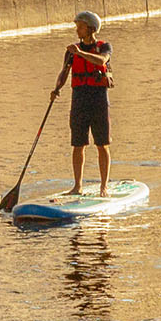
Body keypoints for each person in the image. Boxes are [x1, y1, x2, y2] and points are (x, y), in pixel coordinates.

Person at [50, 11, 113, 195]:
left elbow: (102, 61)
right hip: (79, 98)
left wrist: (81, 53)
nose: (77, 30)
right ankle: (77, 186)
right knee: (78, 144)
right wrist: (57, 89)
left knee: (102, 144)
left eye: (81, 27)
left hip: (98, 98)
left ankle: (104, 187)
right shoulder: (71, 51)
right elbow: (64, 72)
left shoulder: (104, 47)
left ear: (91, 29)